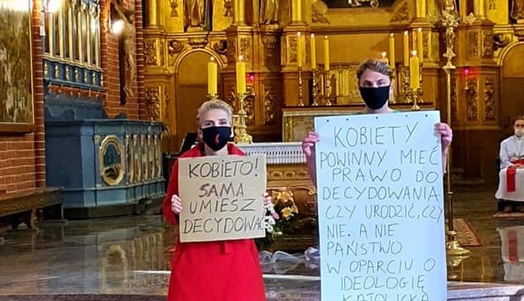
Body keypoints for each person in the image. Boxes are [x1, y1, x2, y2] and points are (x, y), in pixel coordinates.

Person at [163, 99, 266, 301]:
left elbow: (254, 204)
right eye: (209, 124)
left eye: (222, 123)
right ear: (200, 132)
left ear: (231, 129)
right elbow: (168, 210)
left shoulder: (245, 164)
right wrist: (175, 209)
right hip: (196, 254)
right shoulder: (185, 165)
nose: (216, 128)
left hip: (237, 254)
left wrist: (263, 205)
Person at [300, 59, 453, 186]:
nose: (374, 88)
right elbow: (324, 184)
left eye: (380, 83)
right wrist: (311, 157)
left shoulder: (411, 127)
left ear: (391, 87)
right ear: (359, 88)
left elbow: (431, 178)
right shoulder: (345, 130)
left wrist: (442, 149)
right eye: (368, 84)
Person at [495, 115, 524, 212]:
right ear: (513, 127)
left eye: (522, 125)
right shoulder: (505, 143)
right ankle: (509, 202)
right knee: (503, 173)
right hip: (511, 165)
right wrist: (512, 165)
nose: (519, 128)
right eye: (517, 125)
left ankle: (523, 203)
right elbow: (503, 158)